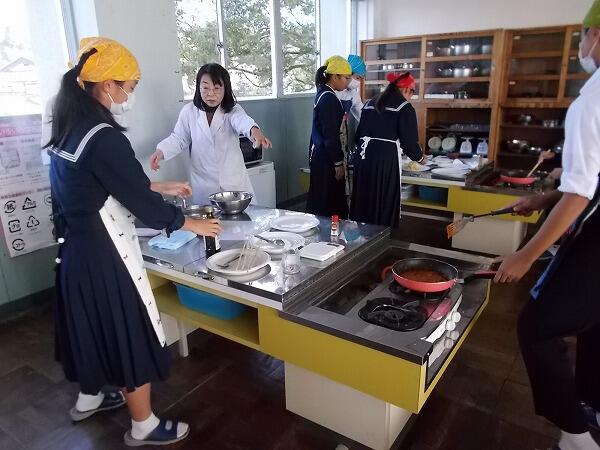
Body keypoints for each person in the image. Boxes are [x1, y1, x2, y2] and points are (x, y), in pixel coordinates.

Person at [45, 37, 222, 447]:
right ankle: (143, 424)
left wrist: (157, 186)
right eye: (130, 86)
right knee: (128, 331)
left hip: (74, 250)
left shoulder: (68, 129)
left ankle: (90, 397)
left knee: (89, 327)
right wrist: (188, 223)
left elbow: (95, 185)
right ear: (108, 85)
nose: (131, 95)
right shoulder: (104, 135)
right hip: (105, 255)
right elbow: (139, 203)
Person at [494, 4, 600, 449]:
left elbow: (580, 194)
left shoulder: (592, 100)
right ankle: (592, 407)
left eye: (583, 35)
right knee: (594, 324)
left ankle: (577, 438)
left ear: (596, 36)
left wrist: (526, 255)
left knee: (537, 327)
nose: (582, 45)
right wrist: (543, 198)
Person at [149, 63, 272, 205]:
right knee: (208, 218)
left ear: (225, 89)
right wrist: (162, 151)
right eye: (205, 88)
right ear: (198, 88)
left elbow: (242, 121)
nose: (210, 93)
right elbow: (179, 138)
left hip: (233, 183)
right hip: (204, 185)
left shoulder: (232, 110)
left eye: (217, 88)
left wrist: (255, 131)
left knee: (242, 218)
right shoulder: (189, 111)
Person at [350, 72, 424, 227]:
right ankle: (381, 234)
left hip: (363, 157)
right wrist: (420, 158)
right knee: (383, 197)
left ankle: (362, 232)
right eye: (412, 92)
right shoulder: (404, 107)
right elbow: (409, 143)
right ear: (406, 89)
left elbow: (358, 135)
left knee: (364, 196)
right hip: (384, 160)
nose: (411, 97)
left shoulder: (370, 103)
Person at [306, 56, 352, 218]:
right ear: (335, 77)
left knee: (321, 199)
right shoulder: (329, 98)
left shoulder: (323, 92)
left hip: (321, 154)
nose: (348, 82)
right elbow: (331, 135)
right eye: (346, 78)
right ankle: (329, 232)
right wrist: (338, 163)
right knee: (328, 202)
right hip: (327, 158)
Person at [337, 54, 366, 199]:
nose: (358, 82)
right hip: (330, 137)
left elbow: (361, 113)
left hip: (343, 135)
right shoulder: (332, 92)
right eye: (357, 77)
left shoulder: (353, 93)